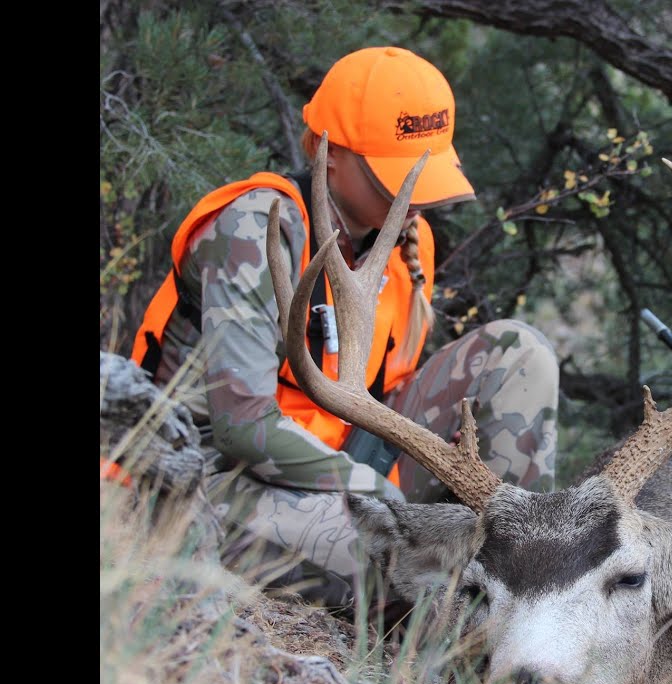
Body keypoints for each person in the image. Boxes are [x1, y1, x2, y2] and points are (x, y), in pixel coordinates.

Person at [129, 46, 559, 609]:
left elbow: (384, 393)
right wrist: (373, 490)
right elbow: (243, 429)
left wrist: (436, 468)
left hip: (349, 462)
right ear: (331, 155)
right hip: (217, 478)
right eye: (396, 180)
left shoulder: (410, 240)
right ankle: (477, 603)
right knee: (406, 568)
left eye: (423, 178)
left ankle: (530, 562)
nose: (414, 202)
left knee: (519, 352)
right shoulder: (256, 227)